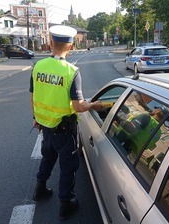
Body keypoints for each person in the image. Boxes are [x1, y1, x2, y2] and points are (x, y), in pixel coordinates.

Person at [29, 25, 103, 220]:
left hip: (45, 126)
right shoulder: (71, 72)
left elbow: (33, 96)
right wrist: (93, 105)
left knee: (48, 157)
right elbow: (78, 106)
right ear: (70, 46)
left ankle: (39, 189)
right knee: (68, 166)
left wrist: (36, 118)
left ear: (50, 43)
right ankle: (65, 203)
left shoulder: (38, 66)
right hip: (64, 130)